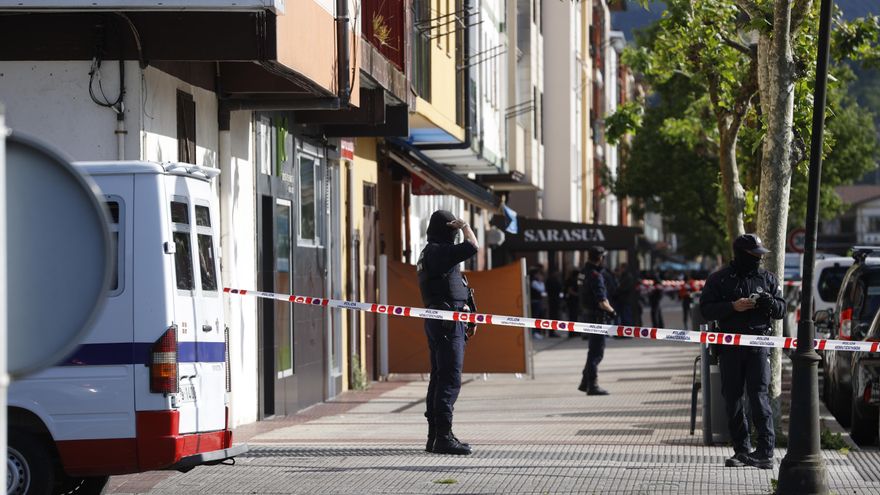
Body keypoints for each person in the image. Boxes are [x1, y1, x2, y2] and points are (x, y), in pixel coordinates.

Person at [700, 234, 785, 470]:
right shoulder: (720, 279)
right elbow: (705, 309)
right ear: (741, 254)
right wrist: (732, 307)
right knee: (733, 398)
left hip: (758, 347)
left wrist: (770, 303)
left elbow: (781, 309)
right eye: (754, 255)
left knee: (759, 397)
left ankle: (765, 452)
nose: (758, 259)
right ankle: (742, 450)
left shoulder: (767, 278)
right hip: (730, 349)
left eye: (760, 255)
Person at [417, 210, 479, 455]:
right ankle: (443, 437)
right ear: (448, 231)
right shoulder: (438, 252)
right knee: (449, 379)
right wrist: (464, 225)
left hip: (443, 321)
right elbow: (473, 245)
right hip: (446, 323)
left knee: (439, 377)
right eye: (452, 230)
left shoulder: (430, 253)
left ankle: (436, 437)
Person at [577, 246, 616, 396]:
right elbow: (602, 301)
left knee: (592, 350)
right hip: (597, 317)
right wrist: (612, 312)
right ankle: (592, 385)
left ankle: (584, 382)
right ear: (600, 258)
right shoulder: (595, 275)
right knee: (596, 352)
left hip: (587, 315)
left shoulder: (583, 272)